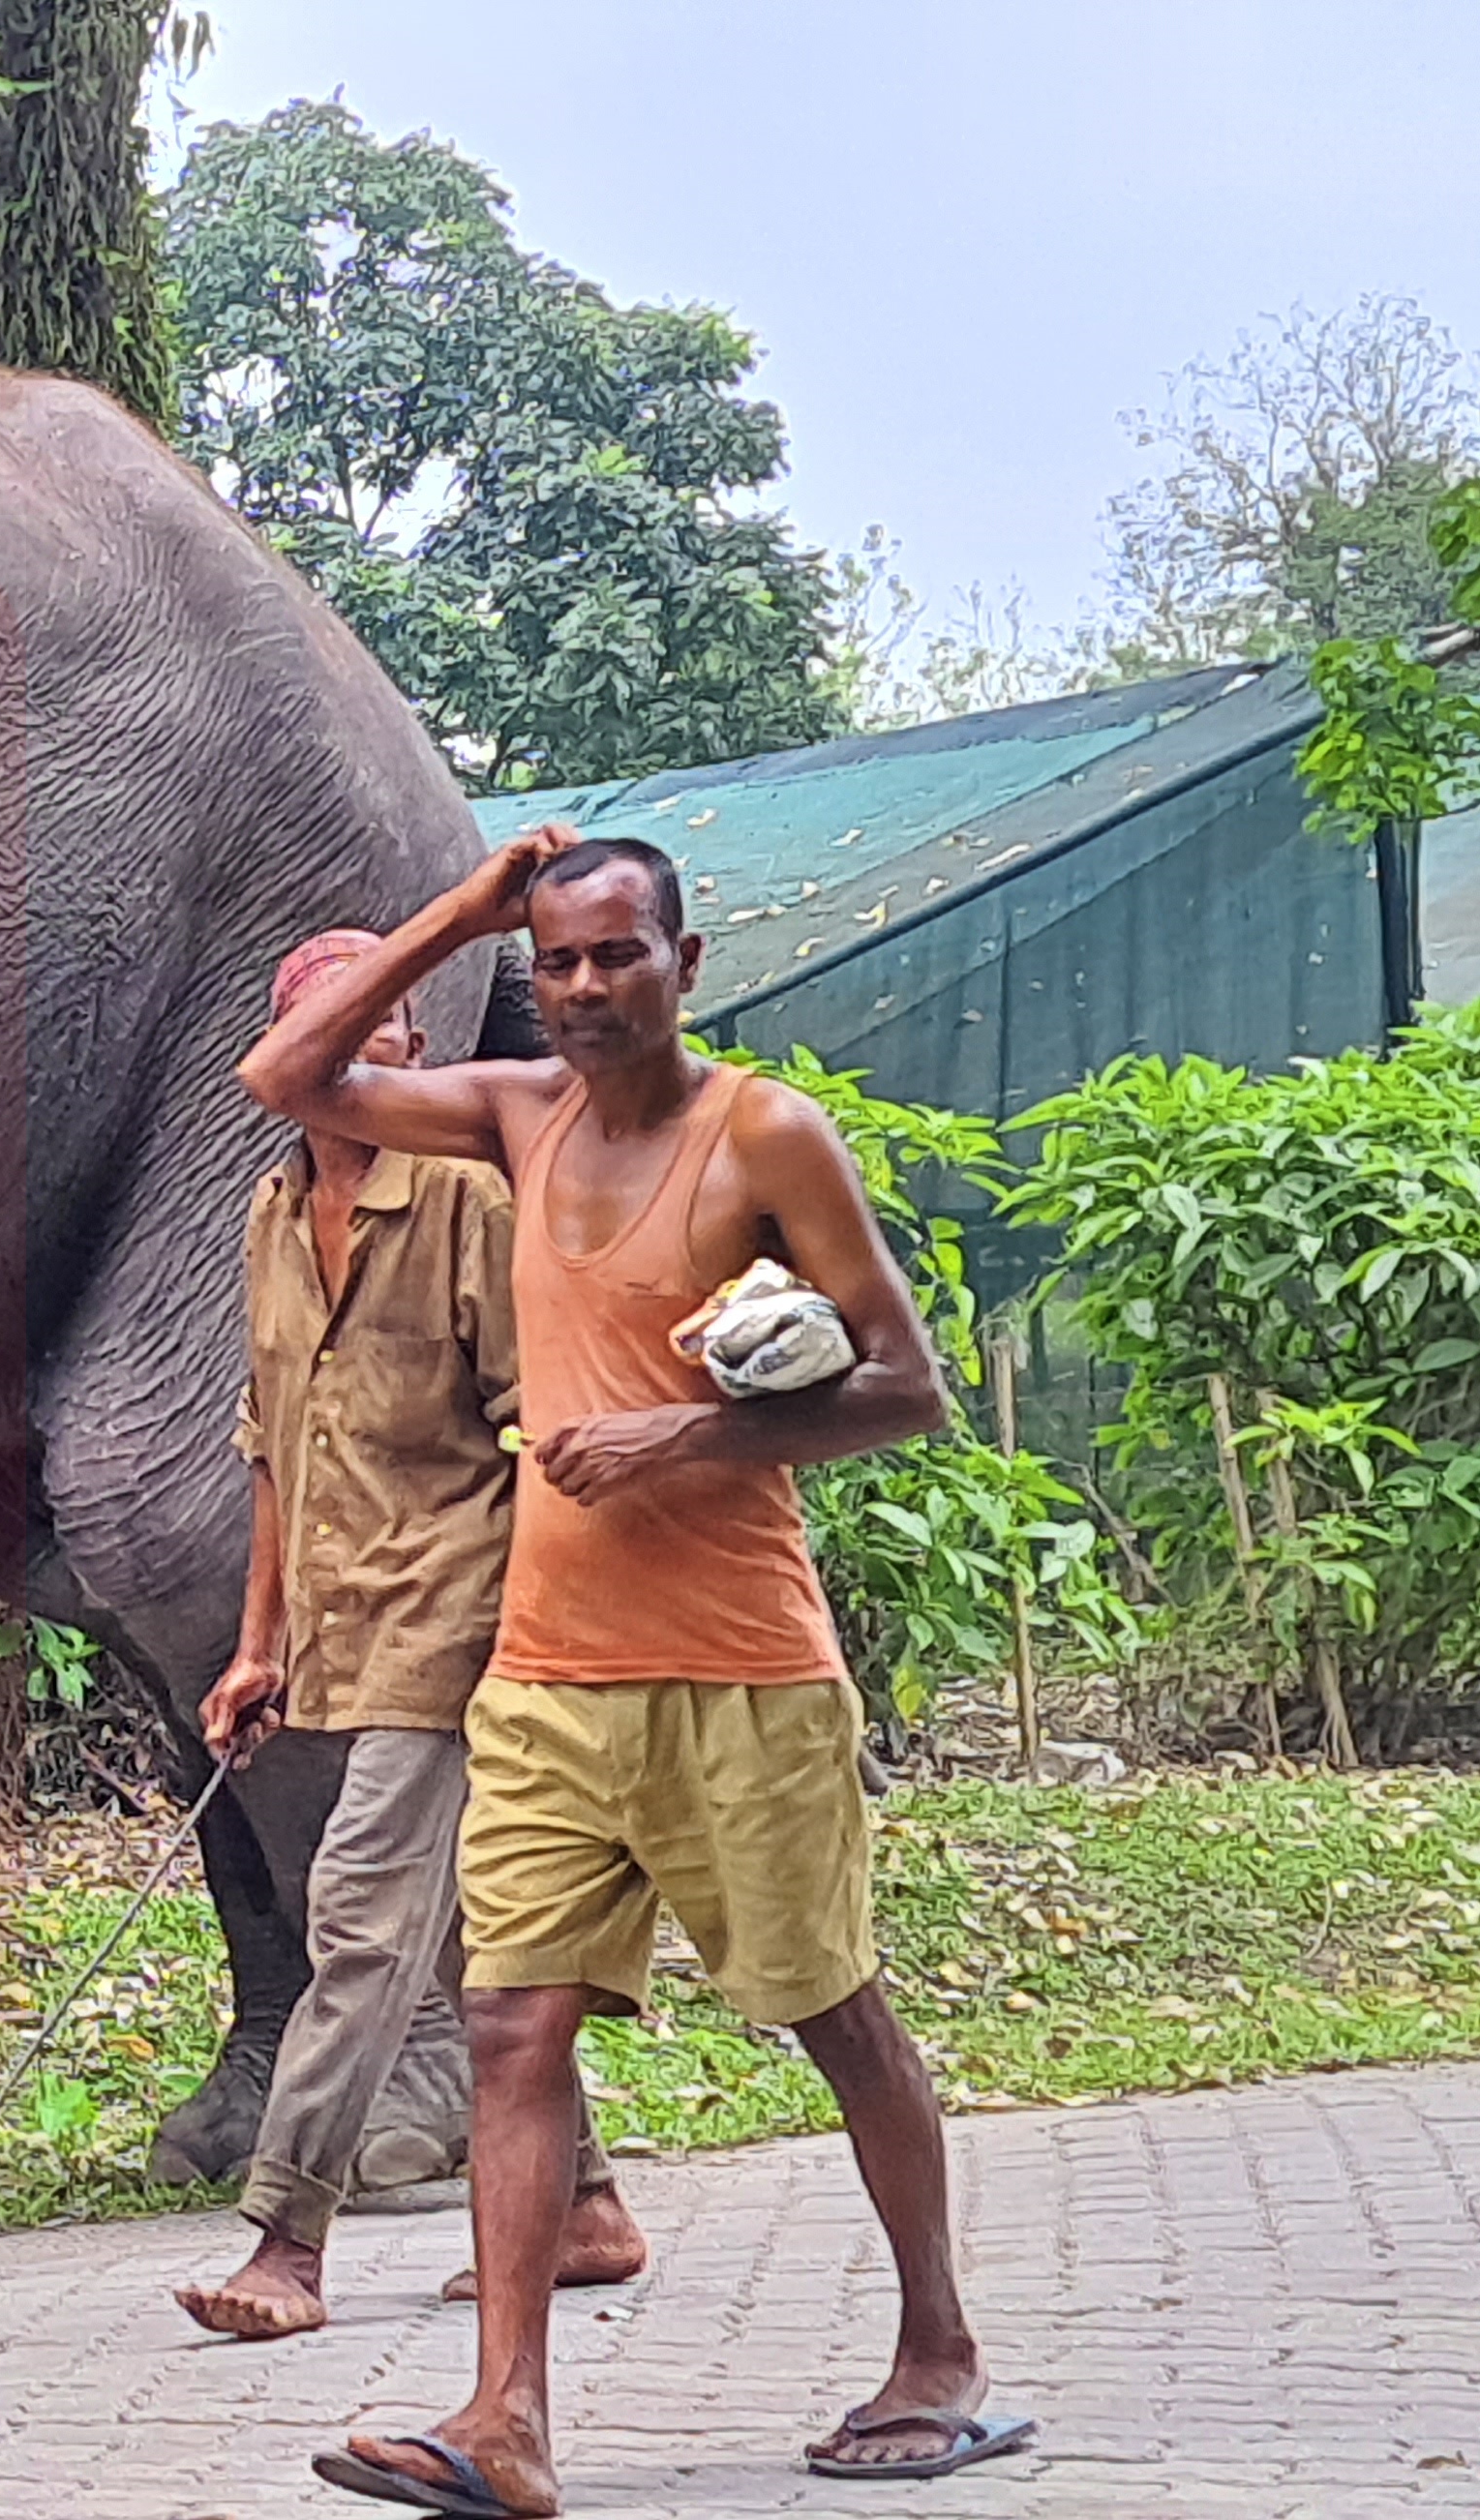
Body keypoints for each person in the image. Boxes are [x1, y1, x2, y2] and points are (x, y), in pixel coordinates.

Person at [235, 830, 1030, 2517]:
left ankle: (941, 2352)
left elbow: (905, 1389)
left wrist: (689, 1432)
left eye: (619, 956)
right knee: (512, 2024)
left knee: (832, 2014)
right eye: (559, 963)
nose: (587, 990)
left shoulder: (764, 1134)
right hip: (542, 1672)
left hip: (740, 1667)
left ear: (686, 956)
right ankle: (504, 2421)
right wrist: (459, 911)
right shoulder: (519, 1114)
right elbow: (287, 1068)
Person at [174, 932, 643, 2346]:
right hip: (336, 1626)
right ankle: (588, 2207)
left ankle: (285, 2238)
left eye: (386, 1023)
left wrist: (542, 1620)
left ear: (412, 1057)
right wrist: (258, 1644)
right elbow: (271, 1447)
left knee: (365, 1918)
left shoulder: (462, 1200)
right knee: (449, 1938)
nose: (365, 1044)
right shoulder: (265, 1212)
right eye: (332, 1021)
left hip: (459, 1616)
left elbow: (544, 1425)